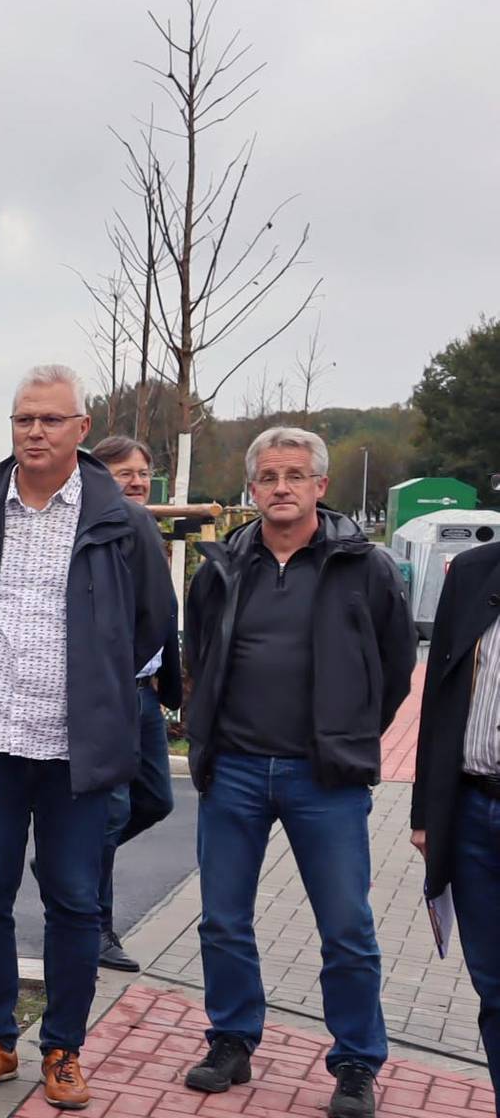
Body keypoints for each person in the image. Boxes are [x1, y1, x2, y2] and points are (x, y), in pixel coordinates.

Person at [0, 365, 171, 1111]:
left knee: (72, 903)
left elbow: (152, 623)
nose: (35, 431)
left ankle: (63, 1050)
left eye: (50, 420)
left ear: (80, 429)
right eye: (24, 419)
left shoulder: (122, 522)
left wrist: (97, 688)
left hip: (79, 752)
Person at [178, 427, 413, 1118]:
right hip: (237, 770)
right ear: (251, 490)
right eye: (268, 476)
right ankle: (231, 1041)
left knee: (346, 925)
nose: (281, 487)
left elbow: (396, 665)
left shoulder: (364, 567)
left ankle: (355, 1063)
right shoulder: (221, 566)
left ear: (320, 486)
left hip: (324, 778)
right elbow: (201, 655)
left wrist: (352, 732)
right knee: (223, 919)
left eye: (295, 475)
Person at [411, 538, 500, 1110]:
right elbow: (439, 699)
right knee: (494, 987)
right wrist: (424, 814)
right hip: (471, 813)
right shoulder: (473, 572)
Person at [88, 436, 182, 973]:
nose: (138, 481)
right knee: (111, 811)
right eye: (125, 472)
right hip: (112, 692)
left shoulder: (144, 529)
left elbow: (161, 612)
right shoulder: (102, 535)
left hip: (146, 694)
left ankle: (67, 867)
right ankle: (96, 926)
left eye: (144, 472)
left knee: (156, 800)